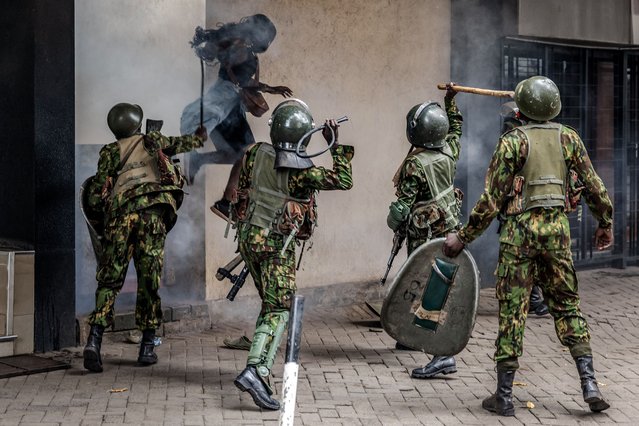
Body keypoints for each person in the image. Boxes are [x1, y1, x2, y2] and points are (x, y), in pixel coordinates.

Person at [443, 76, 613, 416]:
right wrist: (604, 222)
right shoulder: (569, 138)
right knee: (566, 306)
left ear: (520, 111)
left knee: (513, 311)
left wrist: (463, 237)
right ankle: (589, 383)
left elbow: (492, 200)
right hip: (557, 233)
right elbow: (594, 185)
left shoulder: (512, 142)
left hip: (519, 235)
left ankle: (504, 397)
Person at [231, 99, 354, 410]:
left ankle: (261, 369)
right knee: (280, 309)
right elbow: (344, 180)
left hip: (248, 239)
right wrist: (334, 144)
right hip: (275, 247)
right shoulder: (303, 173)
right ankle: (255, 370)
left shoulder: (255, 152)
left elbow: (244, 190)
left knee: (272, 305)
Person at [83, 102, 207, 373]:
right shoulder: (153, 140)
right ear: (138, 124)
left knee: (109, 280)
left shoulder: (109, 152)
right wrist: (199, 136)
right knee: (149, 281)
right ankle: (147, 347)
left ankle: (94, 341)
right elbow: (186, 143)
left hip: (120, 218)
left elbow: (95, 195)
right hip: (152, 215)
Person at [385, 83, 463, 378]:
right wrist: (451, 102)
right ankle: (411, 336)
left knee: (425, 287)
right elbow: (456, 130)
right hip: (450, 231)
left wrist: (392, 223)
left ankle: (442, 355)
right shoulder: (449, 152)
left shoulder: (415, 164)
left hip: (423, 236)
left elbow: (402, 208)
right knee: (434, 285)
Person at [180, 14, 292, 187]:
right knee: (245, 152)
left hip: (232, 104)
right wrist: (269, 88)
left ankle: (198, 160)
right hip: (225, 97)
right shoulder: (241, 46)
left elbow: (241, 79)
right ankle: (191, 159)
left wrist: (270, 88)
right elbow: (238, 79)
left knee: (244, 153)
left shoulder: (242, 45)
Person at [500, 102, 549, 317]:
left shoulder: (524, 136)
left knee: (525, 254)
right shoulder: (520, 135)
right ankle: (534, 299)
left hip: (524, 205)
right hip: (519, 204)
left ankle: (534, 299)